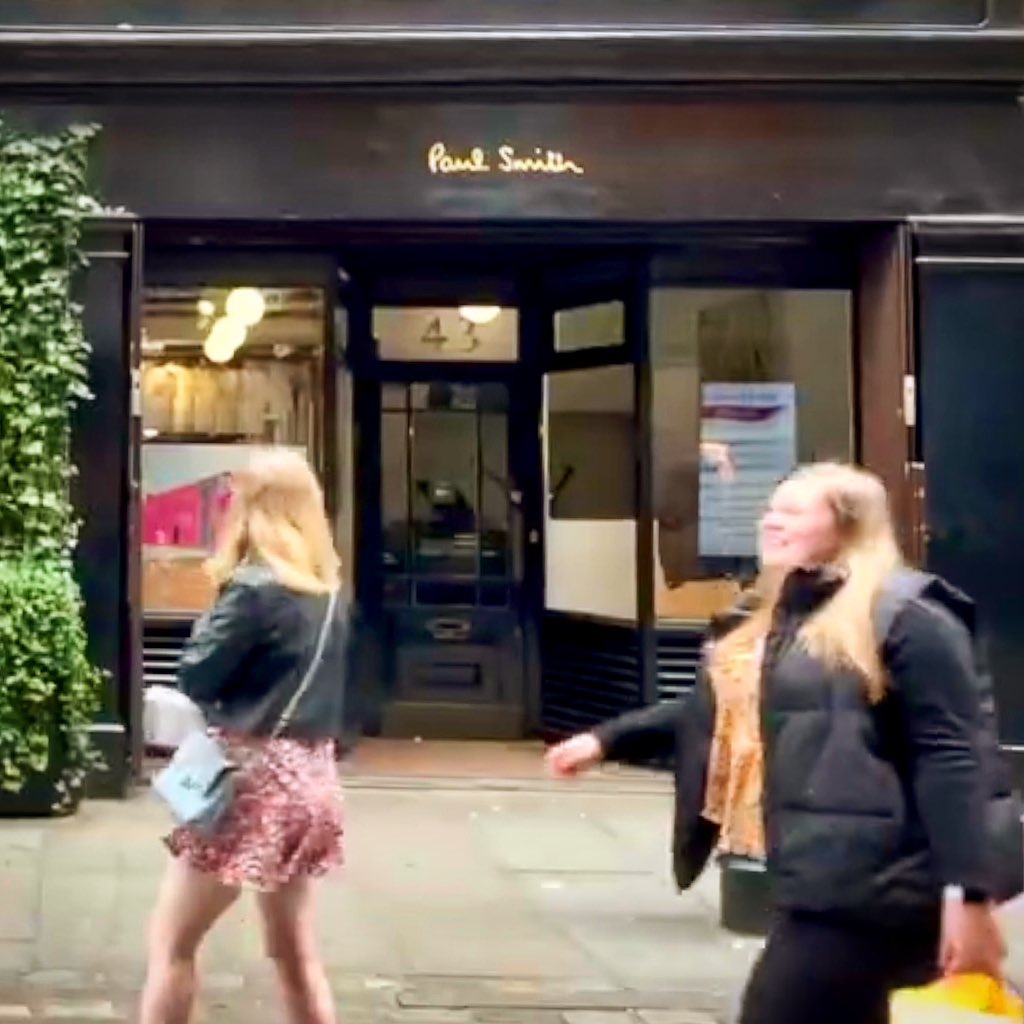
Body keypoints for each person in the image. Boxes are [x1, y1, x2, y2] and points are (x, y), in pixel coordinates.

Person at [547, 462, 1011, 1024]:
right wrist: (606, 740)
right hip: (822, 877)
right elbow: (718, 707)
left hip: (879, 887)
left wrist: (970, 895)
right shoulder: (790, 614)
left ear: (848, 525)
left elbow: (953, 758)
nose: (770, 522)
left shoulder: (911, 617)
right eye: (770, 509)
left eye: (791, 511)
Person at [140, 448, 354, 1024]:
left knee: (172, 944)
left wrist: (217, 604)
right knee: (294, 952)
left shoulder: (254, 588)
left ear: (252, 507)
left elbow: (197, 673)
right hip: (313, 778)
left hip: (252, 783)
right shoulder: (330, 594)